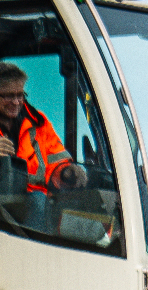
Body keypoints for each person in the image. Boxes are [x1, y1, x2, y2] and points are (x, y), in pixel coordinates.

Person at [0, 61, 88, 196]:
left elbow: (55, 163)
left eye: (20, 95)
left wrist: (66, 172)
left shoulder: (38, 122)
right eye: (9, 96)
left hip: (32, 203)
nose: (17, 102)